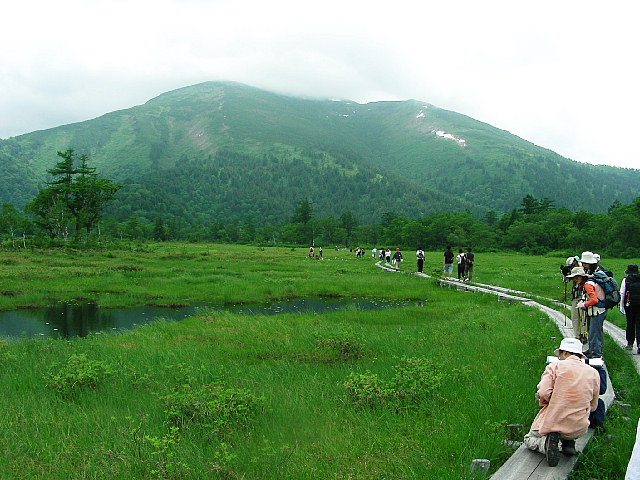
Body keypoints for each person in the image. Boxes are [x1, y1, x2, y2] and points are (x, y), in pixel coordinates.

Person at [523, 338, 600, 467]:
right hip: (579, 427)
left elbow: (543, 392)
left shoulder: (555, 366)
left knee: (529, 439)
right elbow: (593, 406)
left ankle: (545, 444)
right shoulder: (593, 373)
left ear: (564, 353)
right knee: (573, 415)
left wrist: (553, 401)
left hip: (555, 422)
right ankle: (568, 443)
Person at [577, 252, 607, 358]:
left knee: (595, 332)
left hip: (597, 309)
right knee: (595, 331)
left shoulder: (591, 279)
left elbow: (594, 300)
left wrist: (584, 304)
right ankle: (593, 350)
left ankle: (596, 355)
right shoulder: (595, 272)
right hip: (600, 308)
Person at [565, 266, 589, 351]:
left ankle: (583, 335)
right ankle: (577, 335)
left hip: (583, 301)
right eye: (574, 277)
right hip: (575, 299)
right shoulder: (576, 283)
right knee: (575, 317)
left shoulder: (586, 283)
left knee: (583, 319)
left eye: (577, 277)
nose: (576, 279)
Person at [620, 264, 640, 353]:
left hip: (629, 305)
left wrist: (621, 306)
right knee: (639, 325)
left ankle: (630, 343)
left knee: (630, 324)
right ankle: (639, 346)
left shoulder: (626, 280)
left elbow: (622, 293)